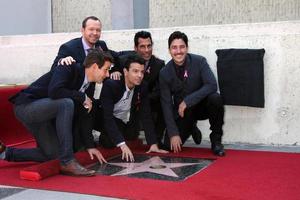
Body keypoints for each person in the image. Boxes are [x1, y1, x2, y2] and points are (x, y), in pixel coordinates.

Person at [0, 49, 113, 176]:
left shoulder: (90, 85)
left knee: (53, 154)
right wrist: (82, 97)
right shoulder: (68, 67)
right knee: (66, 103)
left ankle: (6, 153)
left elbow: (85, 115)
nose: (108, 74)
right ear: (94, 67)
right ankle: (67, 161)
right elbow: (55, 91)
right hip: (26, 107)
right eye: (106, 69)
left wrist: (90, 145)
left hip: (44, 117)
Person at [110, 31, 201, 147]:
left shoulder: (159, 65)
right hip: (128, 104)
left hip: (149, 100)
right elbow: (110, 55)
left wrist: (142, 99)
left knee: (163, 101)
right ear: (135, 48)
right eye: (142, 46)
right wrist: (114, 70)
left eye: (149, 46)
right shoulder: (124, 60)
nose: (147, 50)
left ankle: (158, 139)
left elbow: (159, 91)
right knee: (128, 136)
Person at [159, 31, 226, 156]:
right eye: (174, 47)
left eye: (182, 47)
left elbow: (212, 85)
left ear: (187, 48)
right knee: (169, 146)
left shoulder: (199, 61)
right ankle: (191, 127)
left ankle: (216, 141)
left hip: (201, 107)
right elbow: (166, 105)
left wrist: (187, 101)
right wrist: (173, 133)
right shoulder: (164, 73)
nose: (178, 51)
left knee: (215, 98)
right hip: (183, 113)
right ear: (169, 50)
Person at [99, 54, 168, 162]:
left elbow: (146, 115)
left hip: (127, 120)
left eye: (142, 72)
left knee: (132, 135)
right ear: (125, 72)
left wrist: (153, 143)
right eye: (135, 71)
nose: (140, 75)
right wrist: (122, 144)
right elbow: (107, 116)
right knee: (108, 142)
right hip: (110, 119)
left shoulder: (143, 86)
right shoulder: (111, 84)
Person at [51, 16, 117, 69]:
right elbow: (54, 68)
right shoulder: (69, 47)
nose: (95, 33)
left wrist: (115, 70)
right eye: (91, 29)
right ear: (82, 30)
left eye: (98, 30)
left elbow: (114, 58)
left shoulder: (101, 45)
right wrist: (62, 61)